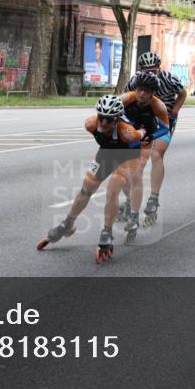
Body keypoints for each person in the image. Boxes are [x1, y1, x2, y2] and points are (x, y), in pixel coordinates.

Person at [37, 95, 146, 264]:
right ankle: (68, 223)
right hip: (106, 153)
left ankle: (107, 232)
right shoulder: (90, 124)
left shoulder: (127, 133)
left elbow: (143, 134)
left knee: (113, 189)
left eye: (108, 120)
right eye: (101, 117)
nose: (103, 123)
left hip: (128, 156)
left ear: (117, 120)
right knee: (86, 189)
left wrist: (144, 130)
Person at [124, 51, 187, 224]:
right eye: (146, 71)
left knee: (156, 154)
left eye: (154, 71)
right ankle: (131, 200)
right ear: (140, 70)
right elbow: (124, 100)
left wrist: (174, 111)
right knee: (139, 162)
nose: (151, 74)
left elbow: (183, 94)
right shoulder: (134, 82)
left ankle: (154, 197)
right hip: (144, 119)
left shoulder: (169, 78)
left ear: (159, 68)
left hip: (164, 119)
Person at [117, 72, 171, 237]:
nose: (142, 93)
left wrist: (149, 137)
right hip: (126, 134)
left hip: (146, 137)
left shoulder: (158, 106)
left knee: (136, 173)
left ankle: (134, 216)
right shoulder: (125, 99)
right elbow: (107, 113)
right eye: (140, 89)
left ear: (152, 93)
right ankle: (130, 201)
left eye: (146, 91)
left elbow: (164, 129)